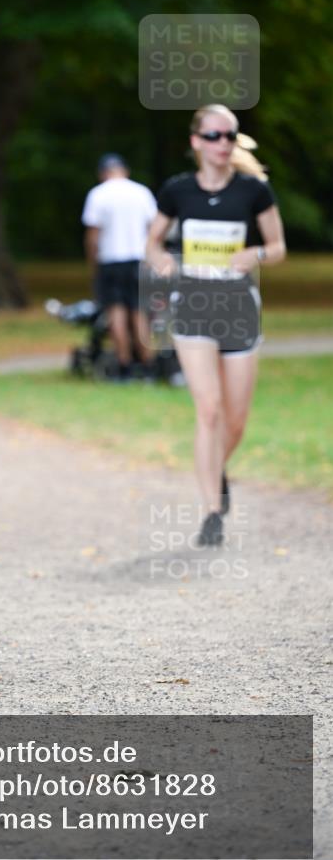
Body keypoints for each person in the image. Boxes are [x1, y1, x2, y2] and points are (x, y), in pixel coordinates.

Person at [145, 104, 286, 545]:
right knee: (208, 410)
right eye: (213, 136)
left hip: (239, 308)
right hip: (193, 307)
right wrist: (162, 261)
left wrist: (256, 254)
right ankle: (210, 512)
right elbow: (151, 242)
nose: (222, 143)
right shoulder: (177, 190)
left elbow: (279, 245)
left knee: (236, 419)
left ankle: (215, 469)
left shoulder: (253, 190)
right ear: (196, 142)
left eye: (229, 135)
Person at [82, 153, 158, 381]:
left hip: (111, 260)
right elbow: (154, 229)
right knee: (140, 314)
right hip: (138, 259)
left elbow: (93, 236)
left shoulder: (98, 194)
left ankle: (123, 366)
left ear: (102, 173)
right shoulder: (141, 192)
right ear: (125, 170)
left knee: (116, 314)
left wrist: (92, 264)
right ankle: (146, 366)